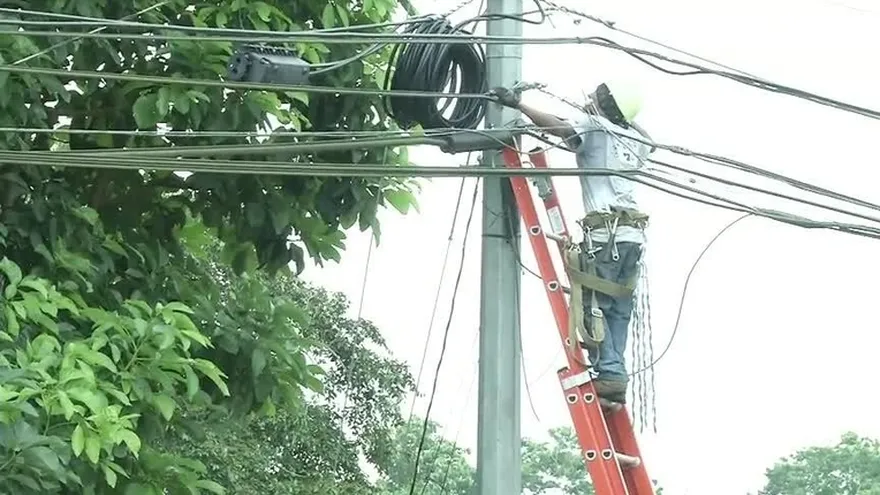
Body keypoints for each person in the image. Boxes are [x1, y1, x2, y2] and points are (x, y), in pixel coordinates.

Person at [492, 81, 653, 404]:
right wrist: (620, 115)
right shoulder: (636, 140)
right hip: (632, 238)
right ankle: (614, 376)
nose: (588, 99)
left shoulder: (595, 127)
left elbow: (561, 129)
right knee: (618, 311)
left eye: (595, 97)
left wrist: (518, 105)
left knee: (594, 306)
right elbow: (648, 139)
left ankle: (609, 373)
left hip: (606, 237)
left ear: (606, 104)